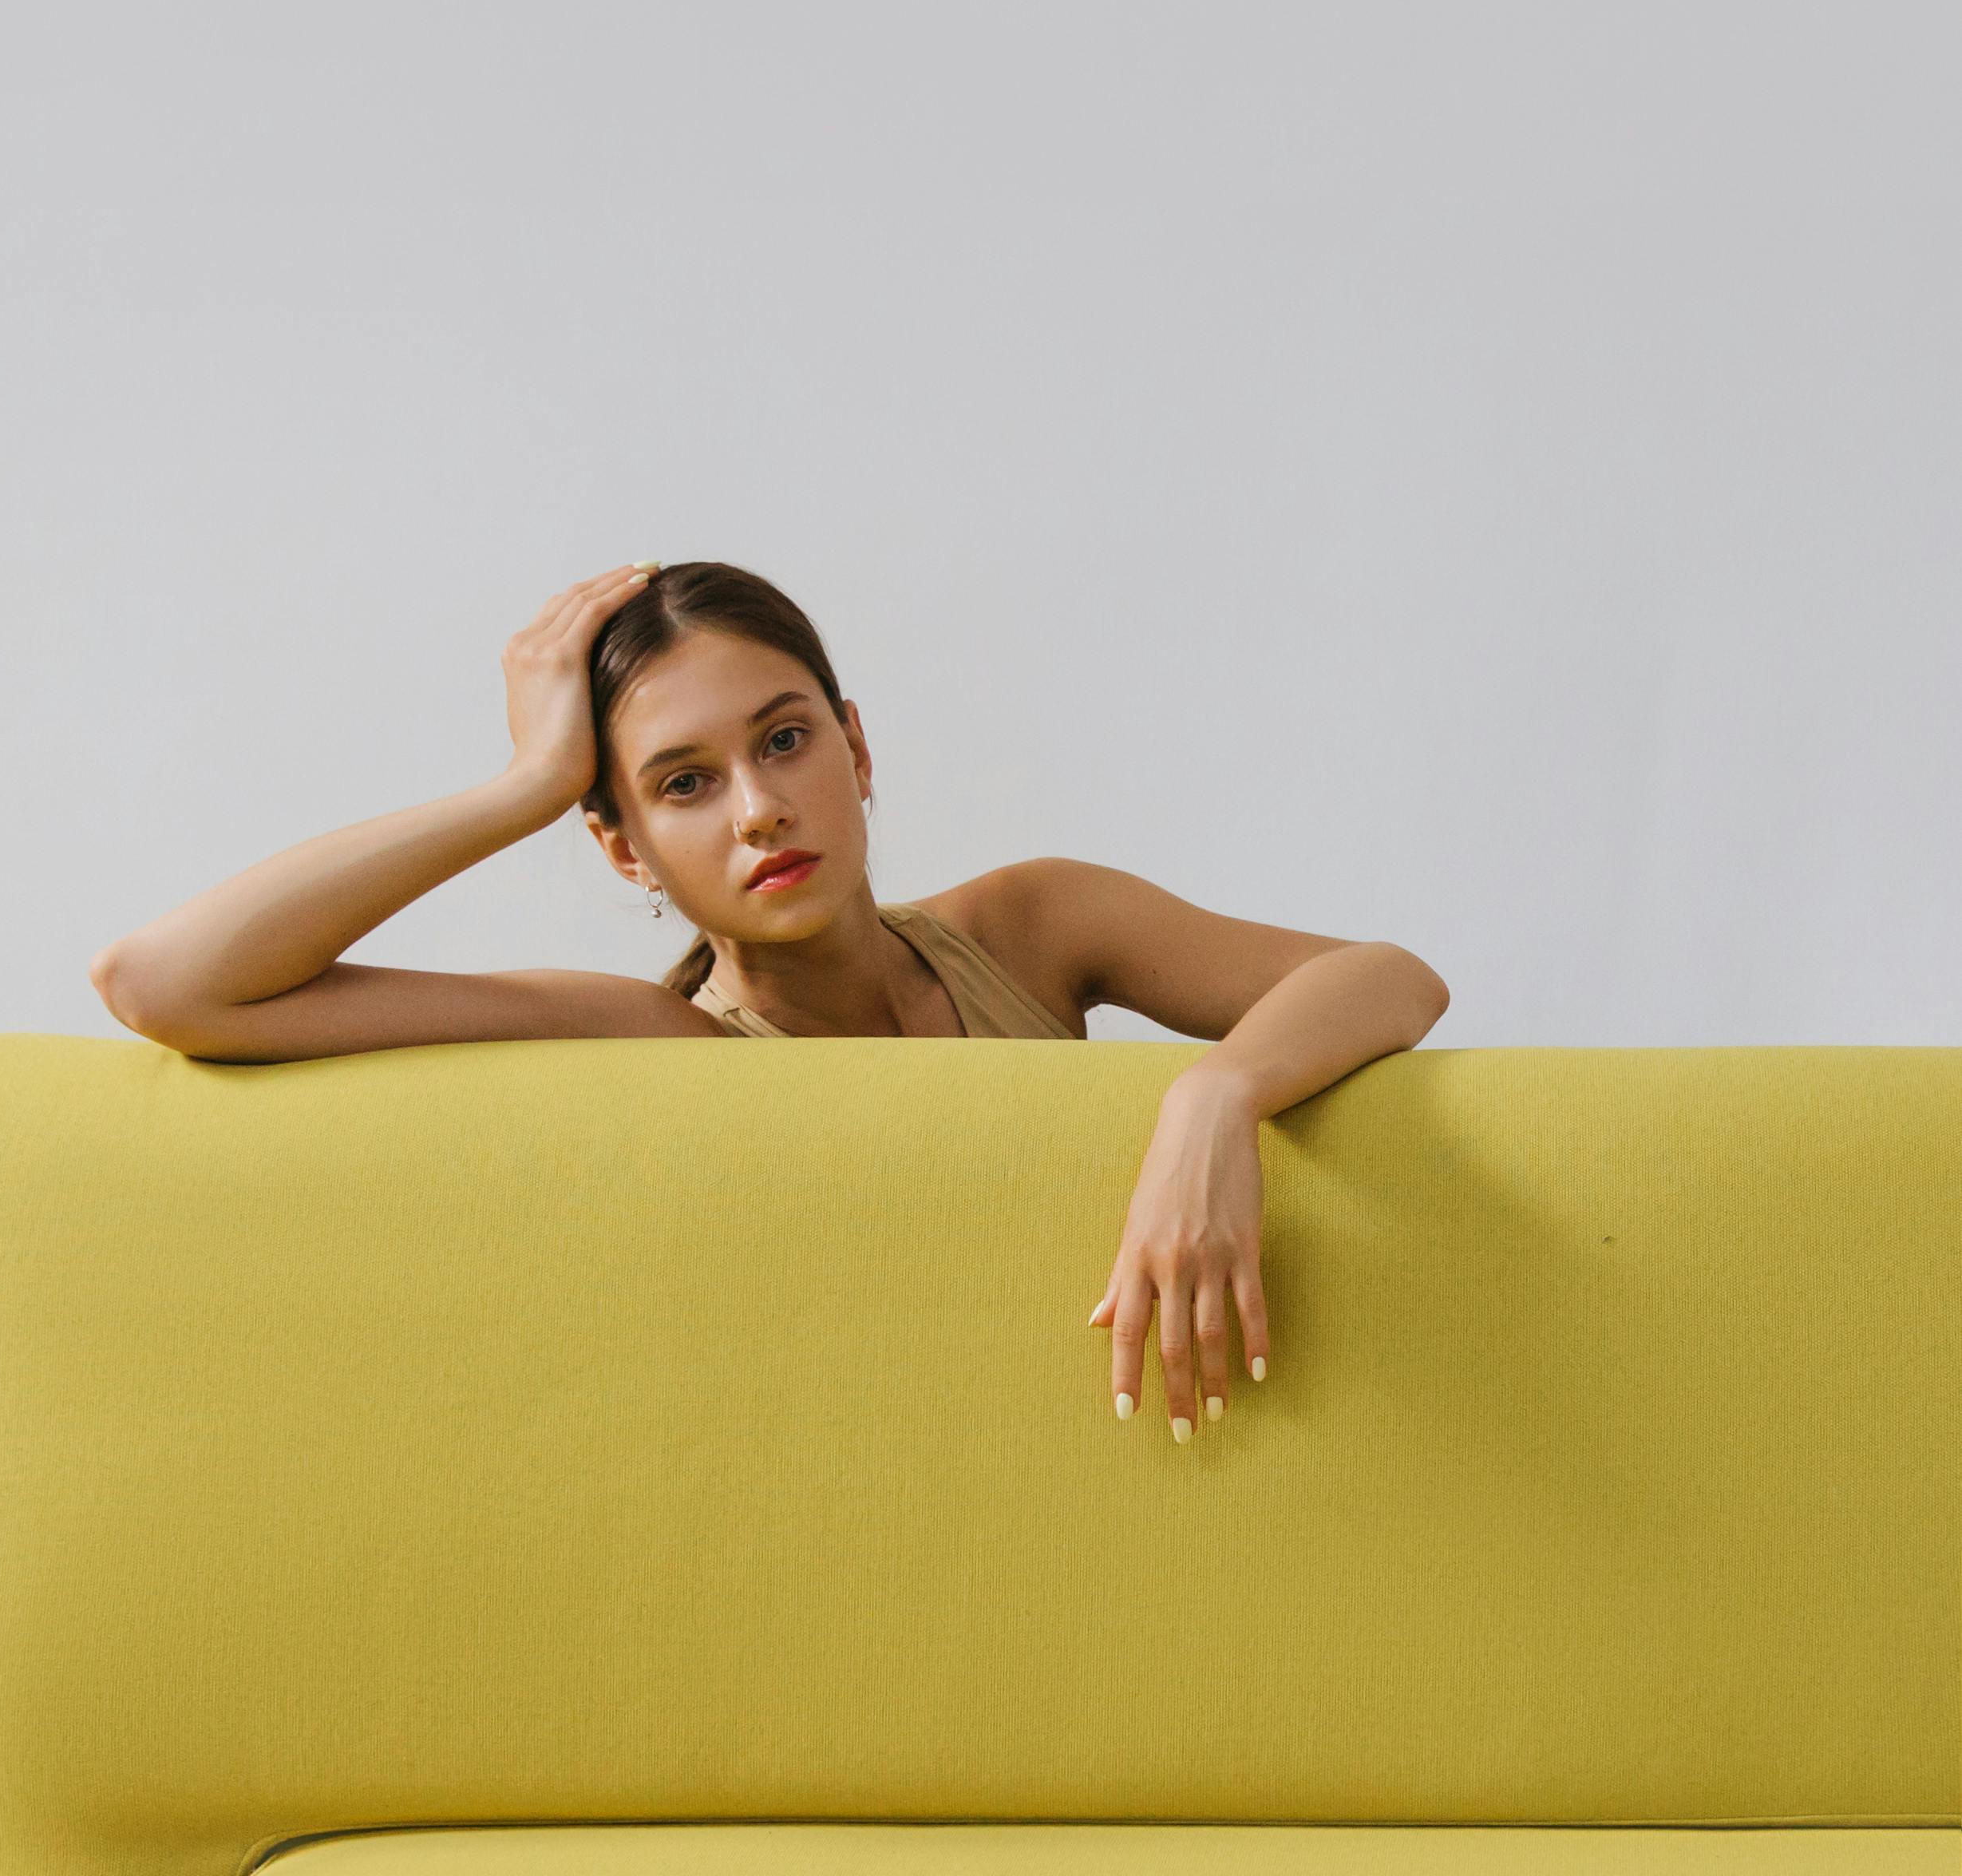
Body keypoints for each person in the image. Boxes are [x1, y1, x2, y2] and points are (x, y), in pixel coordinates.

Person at [91, 557, 1450, 1443]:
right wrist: (522, 784)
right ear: (621, 843)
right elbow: (164, 982)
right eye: (682, 783)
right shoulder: (659, 1040)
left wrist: (1212, 1096)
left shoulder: (1037, 927)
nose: (759, 809)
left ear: (856, 749)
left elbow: (1391, 978)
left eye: (786, 739)